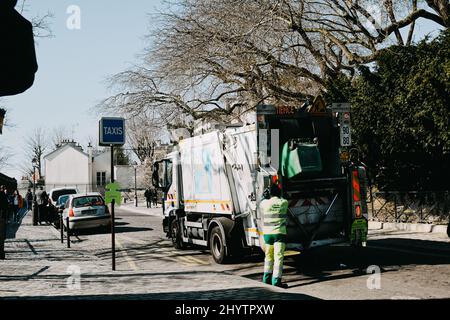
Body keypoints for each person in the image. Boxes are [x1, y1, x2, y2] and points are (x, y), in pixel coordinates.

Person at [260, 182, 289, 288]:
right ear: (279, 192)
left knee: (268, 257)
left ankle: (266, 279)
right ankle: (276, 281)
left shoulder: (264, 204)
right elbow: (284, 199)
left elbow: (261, 201)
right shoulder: (283, 202)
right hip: (279, 234)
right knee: (279, 257)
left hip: (268, 235)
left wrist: (264, 196)